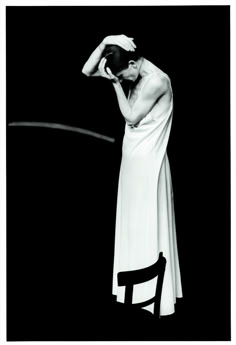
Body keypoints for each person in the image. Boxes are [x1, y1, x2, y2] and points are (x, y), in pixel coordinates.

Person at [82, 34, 183, 316]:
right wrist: (104, 42)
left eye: (124, 74)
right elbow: (86, 71)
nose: (125, 80)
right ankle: (132, 292)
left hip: (149, 165)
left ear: (131, 62)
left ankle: (155, 298)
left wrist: (114, 84)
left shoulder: (157, 80)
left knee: (148, 223)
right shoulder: (131, 70)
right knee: (132, 223)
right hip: (132, 163)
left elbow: (130, 117)